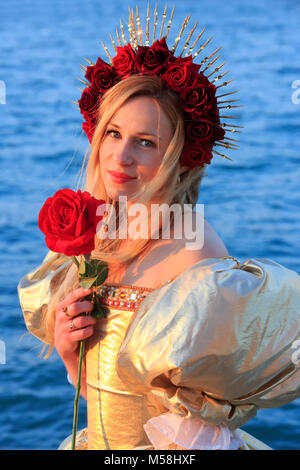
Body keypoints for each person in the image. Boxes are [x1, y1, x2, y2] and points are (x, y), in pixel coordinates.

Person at [18, 6, 300, 451]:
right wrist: (71, 355)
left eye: (145, 142)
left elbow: (198, 425)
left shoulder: (191, 246)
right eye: (113, 133)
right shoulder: (101, 230)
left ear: (178, 154)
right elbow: (105, 396)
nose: (121, 156)